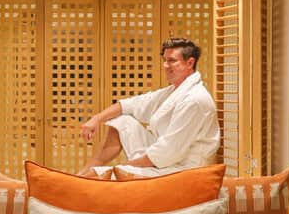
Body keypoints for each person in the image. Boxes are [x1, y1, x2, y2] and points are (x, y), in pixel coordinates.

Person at [76, 37, 219, 178]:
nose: (165, 65)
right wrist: (96, 119)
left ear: (190, 63)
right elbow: (130, 105)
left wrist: (126, 167)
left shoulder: (194, 100)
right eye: (164, 60)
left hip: (182, 169)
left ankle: (83, 179)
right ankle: (82, 174)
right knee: (122, 121)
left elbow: (169, 151)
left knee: (105, 174)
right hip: (165, 157)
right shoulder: (172, 91)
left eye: (172, 61)